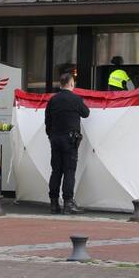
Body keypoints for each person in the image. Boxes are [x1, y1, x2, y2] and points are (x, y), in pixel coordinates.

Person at [45, 71, 90, 214]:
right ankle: (68, 204)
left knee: (56, 171)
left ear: (60, 84)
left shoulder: (53, 100)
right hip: (70, 140)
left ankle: (53, 203)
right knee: (69, 171)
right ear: (71, 83)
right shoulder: (76, 99)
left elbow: (47, 122)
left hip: (55, 139)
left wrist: (52, 135)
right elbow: (86, 113)